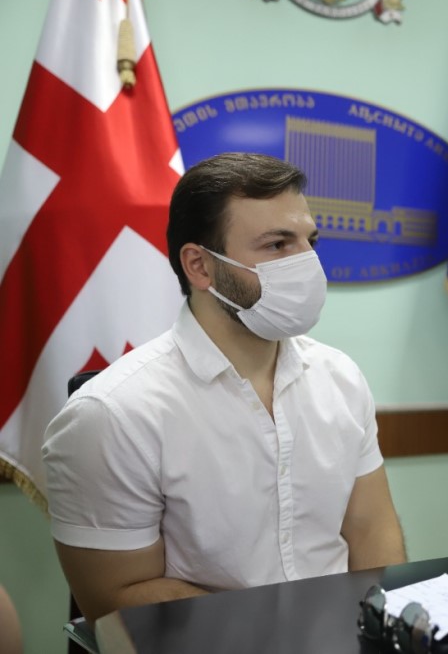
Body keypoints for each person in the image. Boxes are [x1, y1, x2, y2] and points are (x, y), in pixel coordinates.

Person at [42, 153, 406, 622]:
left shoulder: (340, 377)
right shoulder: (112, 414)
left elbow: (373, 532)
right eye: (277, 244)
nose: (308, 263)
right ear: (200, 266)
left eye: (310, 241)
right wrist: (279, 632)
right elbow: (115, 598)